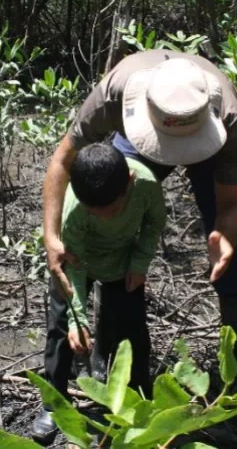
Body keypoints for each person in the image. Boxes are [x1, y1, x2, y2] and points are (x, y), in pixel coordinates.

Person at [34, 50, 237, 440]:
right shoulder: (115, 93)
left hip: (210, 141)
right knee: (109, 192)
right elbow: (63, 161)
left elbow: (233, 206)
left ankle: (234, 379)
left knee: (232, 265)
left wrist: (226, 235)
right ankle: (94, 367)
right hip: (143, 139)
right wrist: (52, 236)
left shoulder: (229, 116)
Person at [32, 142, 166, 443]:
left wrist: (140, 262)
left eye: (113, 210)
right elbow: (73, 271)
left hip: (123, 261)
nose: (105, 217)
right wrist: (79, 319)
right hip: (79, 262)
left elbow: (154, 221)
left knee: (132, 332)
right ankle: (54, 404)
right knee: (61, 326)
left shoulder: (144, 184)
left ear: (128, 183)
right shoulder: (73, 210)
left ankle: (139, 401)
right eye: (97, 213)